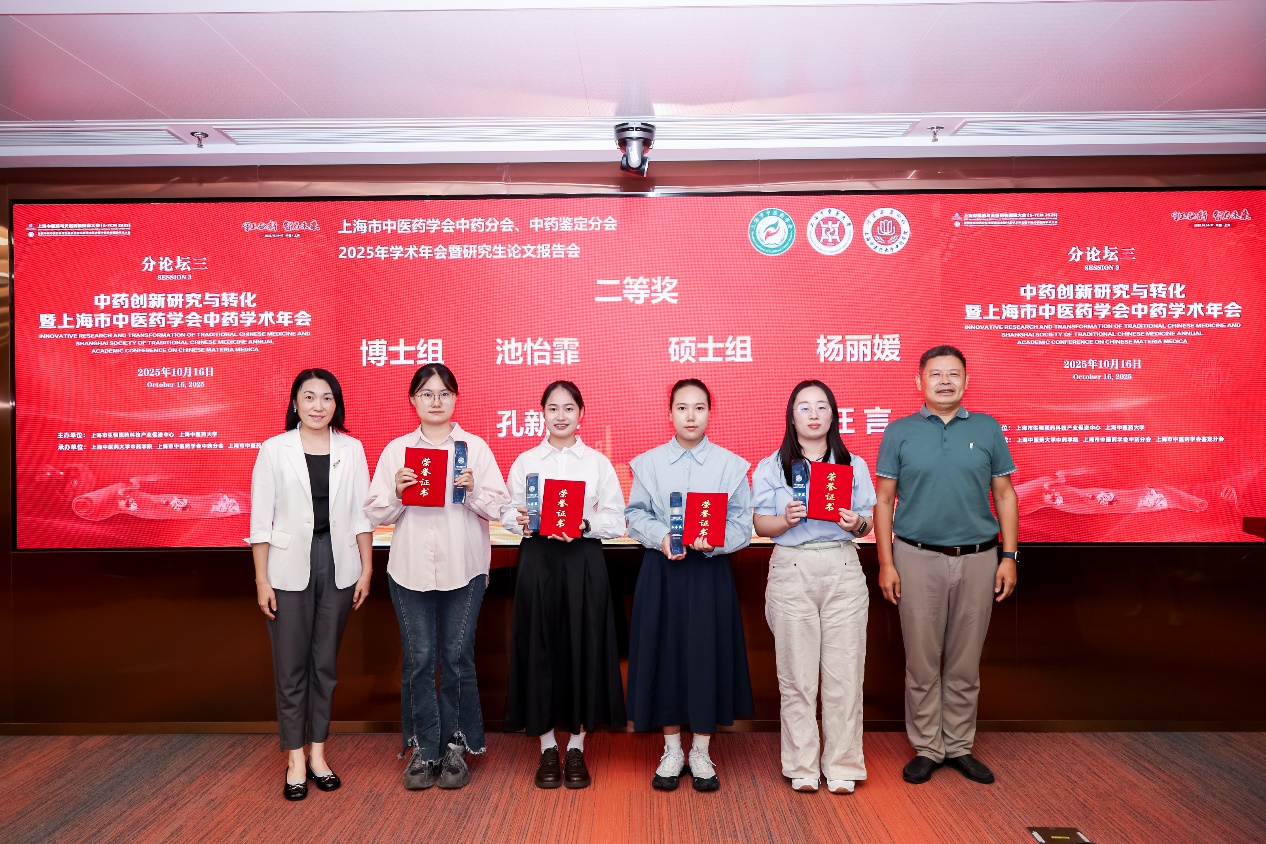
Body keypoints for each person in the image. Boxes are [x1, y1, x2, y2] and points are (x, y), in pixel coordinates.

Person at [873, 345, 1019, 786]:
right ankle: (927, 747)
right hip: (916, 558)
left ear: (966, 381)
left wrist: (1009, 556)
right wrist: (886, 562)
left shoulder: (988, 428)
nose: (945, 381)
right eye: (935, 374)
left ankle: (958, 745)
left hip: (979, 558)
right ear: (919, 381)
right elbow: (883, 501)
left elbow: (1005, 494)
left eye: (953, 374)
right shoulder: (899, 432)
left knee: (964, 661)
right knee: (921, 661)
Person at [364, 363, 509, 791]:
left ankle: (456, 747)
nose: (436, 401)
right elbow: (375, 513)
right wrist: (397, 492)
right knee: (419, 659)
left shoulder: (474, 448)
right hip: (409, 570)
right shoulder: (397, 450)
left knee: (457, 657)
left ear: (455, 399)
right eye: (427, 394)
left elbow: (499, 507)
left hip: (464, 569)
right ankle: (423, 749)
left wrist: (473, 490)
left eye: (444, 393)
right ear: (413, 400)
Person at [249, 368, 374, 801]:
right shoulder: (274, 449)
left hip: (339, 563)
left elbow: (361, 515)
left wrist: (366, 568)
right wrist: (261, 579)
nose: (318, 406)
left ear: (336, 405)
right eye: (309, 397)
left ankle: (318, 753)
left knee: (325, 665)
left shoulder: (352, 448)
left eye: (326, 398)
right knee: (290, 667)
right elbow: (260, 521)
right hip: (286, 567)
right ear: (295, 403)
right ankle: (295, 759)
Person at [625, 378, 754, 792]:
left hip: (708, 574)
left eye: (699, 407)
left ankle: (700, 749)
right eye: (682, 408)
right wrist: (662, 536)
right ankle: (671, 750)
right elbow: (634, 515)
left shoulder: (731, 466)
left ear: (710, 413)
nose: (691, 416)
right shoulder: (648, 463)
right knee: (664, 655)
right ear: (670, 414)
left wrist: (716, 541)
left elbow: (743, 524)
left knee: (705, 656)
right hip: (662, 571)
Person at [500, 381, 628, 790]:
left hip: (582, 561)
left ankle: (576, 745)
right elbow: (506, 511)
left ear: (581, 414)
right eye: (553, 408)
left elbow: (617, 518)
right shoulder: (526, 461)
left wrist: (585, 523)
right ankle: (546, 748)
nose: (560, 416)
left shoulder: (597, 463)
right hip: (538, 560)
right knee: (539, 647)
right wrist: (519, 520)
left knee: (582, 647)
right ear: (542, 413)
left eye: (568, 408)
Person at [752, 380, 875, 795]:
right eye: (804, 407)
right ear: (792, 417)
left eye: (822, 406)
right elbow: (760, 525)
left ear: (833, 415)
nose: (813, 414)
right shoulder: (772, 466)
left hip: (842, 565)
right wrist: (784, 519)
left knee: (845, 673)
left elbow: (867, 523)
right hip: (792, 567)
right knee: (796, 675)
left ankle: (842, 764)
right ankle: (801, 764)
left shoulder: (852, 464)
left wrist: (855, 523)